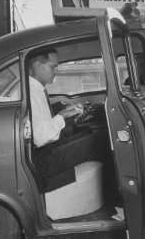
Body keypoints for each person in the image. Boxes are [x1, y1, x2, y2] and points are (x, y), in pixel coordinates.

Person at [28, 48, 107, 189]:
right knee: (101, 139)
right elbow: (40, 138)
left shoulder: (36, 89)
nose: (56, 71)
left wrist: (64, 112)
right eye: (53, 67)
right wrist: (62, 116)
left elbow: (43, 124)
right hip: (43, 161)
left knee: (91, 132)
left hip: (48, 150)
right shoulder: (31, 93)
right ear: (37, 66)